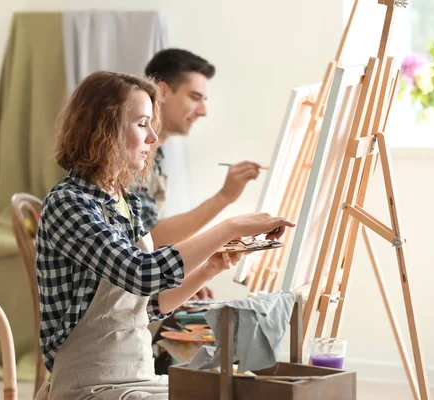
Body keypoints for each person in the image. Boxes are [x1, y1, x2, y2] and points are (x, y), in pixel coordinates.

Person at [35, 71, 294, 400]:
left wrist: (209, 268)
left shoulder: (123, 200)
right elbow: (143, 273)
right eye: (142, 124)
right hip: (90, 386)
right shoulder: (68, 203)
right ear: (105, 128)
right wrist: (230, 226)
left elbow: (149, 305)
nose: (153, 138)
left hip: (139, 375)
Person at [135, 49, 264, 300]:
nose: (203, 111)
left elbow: (150, 244)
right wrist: (224, 198)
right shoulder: (132, 155)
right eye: (195, 97)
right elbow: (150, 236)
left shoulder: (156, 156)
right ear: (161, 91)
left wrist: (184, 281)